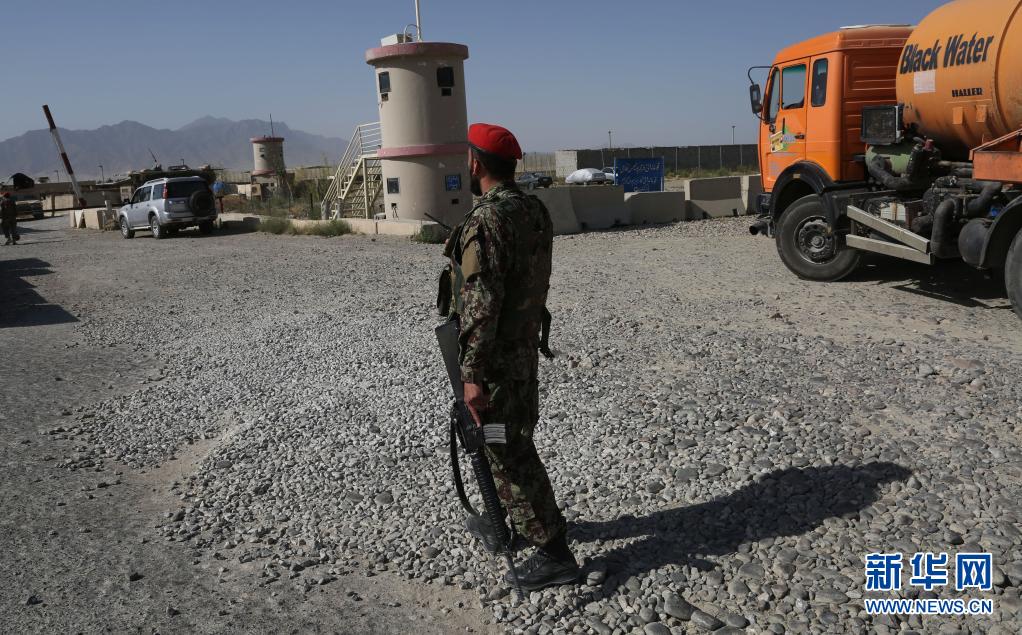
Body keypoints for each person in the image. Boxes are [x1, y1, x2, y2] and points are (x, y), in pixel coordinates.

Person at [438, 123, 578, 591]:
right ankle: (512, 524)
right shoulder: (533, 209)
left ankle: (554, 553)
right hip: (521, 352)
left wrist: (471, 374)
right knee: (507, 439)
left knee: (506, 449)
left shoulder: (487, 220)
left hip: (495, 363)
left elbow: (482, 304)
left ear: (475, 163)